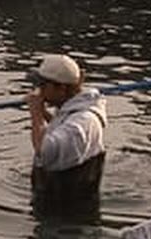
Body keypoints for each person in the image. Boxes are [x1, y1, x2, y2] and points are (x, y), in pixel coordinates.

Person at [28, 53, 107, 216]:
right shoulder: (72, 112)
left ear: (61, 88)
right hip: (54, 199)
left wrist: (36, 114)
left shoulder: (83, 122)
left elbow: (44, 151)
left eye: (43, 86)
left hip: (67, 213)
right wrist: (44, 114)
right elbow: (62, 131)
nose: (39, 92)